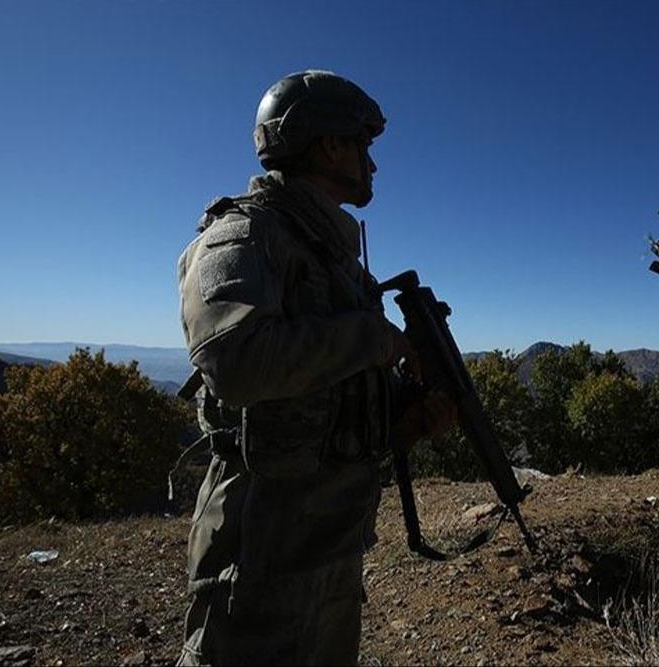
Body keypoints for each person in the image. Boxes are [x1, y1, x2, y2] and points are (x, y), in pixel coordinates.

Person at [175, 70, 452, 666]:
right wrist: (375, 338)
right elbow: (238, 361)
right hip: (260, 555)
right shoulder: (241, 236)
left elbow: (329, 390)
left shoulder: (334, 258)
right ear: (329, 145)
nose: (372, 166)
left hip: (332, 543)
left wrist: (407, 414)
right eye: (363, 146)